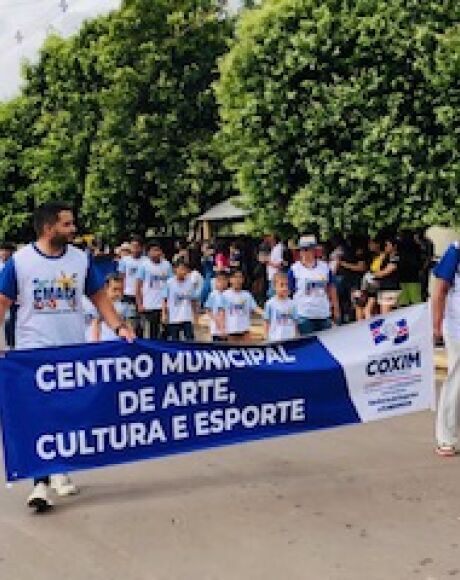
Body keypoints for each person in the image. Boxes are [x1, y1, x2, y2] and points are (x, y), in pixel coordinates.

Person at [0, 201, 135, 512]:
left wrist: (119, 326)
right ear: (49, 228)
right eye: (67, 225)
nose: (74, 230)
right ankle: (39, 483)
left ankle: (60, 468)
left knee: (68, 412)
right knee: (40, 415)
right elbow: (3, 302)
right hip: (34, 352)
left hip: (72, 350)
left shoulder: (80, 260)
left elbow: (98, 296)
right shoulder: (20, 262)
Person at [432, 242, 460, 456]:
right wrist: (436, 324)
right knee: (456, 381)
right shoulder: (455, 251)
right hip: (457, 327)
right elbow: (440, 289)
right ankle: (446, 438)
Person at [288, 236, 340, 336]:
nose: (305, 252)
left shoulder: (324, 267)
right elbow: (290, 293)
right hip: (304, 315)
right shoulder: (294, 269)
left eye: (308, 249)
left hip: (323, 314)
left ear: (314, 250)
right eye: (303, 249)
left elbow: (331, 288)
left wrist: (336, 309)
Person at [136, 241, 172, 339]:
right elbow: (138, 285)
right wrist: (139, 303)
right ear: (148, 253)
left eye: (158, 250)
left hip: (164, 303)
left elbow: (171, 283)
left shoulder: (167, 265)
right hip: (149, 304)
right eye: (154, 250)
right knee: (152, 331)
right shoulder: (144, 266)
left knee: (167, 330)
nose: (156, 252)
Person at [223, 269, 263, 344]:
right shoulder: (225, 295)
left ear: (243, 280)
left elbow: (255, 308)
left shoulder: (247, 295)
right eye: (235, 277)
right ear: (230, 280)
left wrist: (266, 314)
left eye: (240, 277)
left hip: (244, 330)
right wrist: (221, 329)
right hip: (230, 330)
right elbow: (220, 313)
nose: (237, 280)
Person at [162, 259, 197, 341]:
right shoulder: (169, 283)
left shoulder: (190, 283)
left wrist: (195, 315)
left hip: (187, 316)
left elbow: (193, 300)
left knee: (190, 339)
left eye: (185, 269)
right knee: (175, 340)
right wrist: (164, 314)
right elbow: (164, 299)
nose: (183, 271)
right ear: (175, 269)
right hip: (174, 317)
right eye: (181, 269)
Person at [91, 274, 131, 341]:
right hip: (104, 342)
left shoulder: (124, 306)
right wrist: (95, 342)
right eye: (115, 289)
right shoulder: (100, 306)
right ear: (106, 287)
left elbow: (126, 323)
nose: (118, 293)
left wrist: (131, 334)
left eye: (121, 290)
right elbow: (96, 323)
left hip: (118, 342)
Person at [118, 235, 145, 335]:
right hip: (128, 295)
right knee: (130, 322)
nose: (134, 249)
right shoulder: (125, 261)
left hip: (142, 296)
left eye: (137, 246)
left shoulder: (146, 261)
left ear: (142, 247)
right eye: (132, 246)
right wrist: (121, 292)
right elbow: (121, 277)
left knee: (141, 324)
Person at [264, 272, 298, 341]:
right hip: (275, 338)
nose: (285, 288)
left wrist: (296, 335)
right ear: (274, 287)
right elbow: (266, 321)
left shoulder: (292, 303)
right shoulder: (270, 303)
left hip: (290, 337)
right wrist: (266, 335)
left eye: (286, 285)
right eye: (281, 285)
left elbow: (295, 321)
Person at [373, 236, 400, 314]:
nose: (386, 247)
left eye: (388, 245)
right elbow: (375, 268)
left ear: (394, 246)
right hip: (383, 287)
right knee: (383, 312)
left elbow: (386, 271)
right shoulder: (385, 257)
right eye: (385, 245)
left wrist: (376, 275)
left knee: (386, 314)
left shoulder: (396, 257)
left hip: (391, 288)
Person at [398, 230, 423, 307]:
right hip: (414, 276)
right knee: (416, 302)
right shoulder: (417, 246)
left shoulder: (400, 246)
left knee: (403, 302)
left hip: (402, 275)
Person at [205, 271, 228, 342]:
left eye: (224, 279)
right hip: (215, 329)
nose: (222, 282)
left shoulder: (229, 294)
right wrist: (216, 320)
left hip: (227, 328)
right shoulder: (213, 295)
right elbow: (208, 310)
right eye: (219, 280)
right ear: (215, 282)